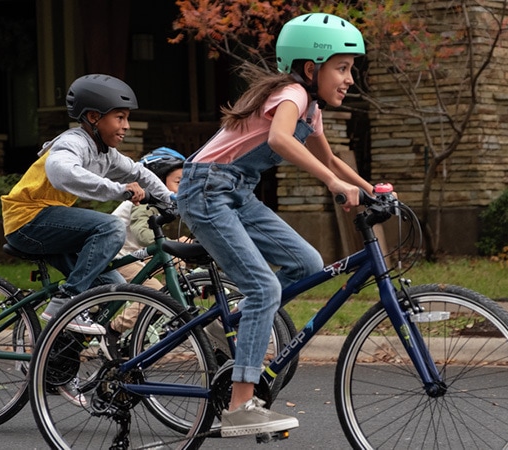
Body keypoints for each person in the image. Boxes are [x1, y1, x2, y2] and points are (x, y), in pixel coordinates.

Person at [175, 13, 374, 437]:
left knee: (307, 262)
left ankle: (235, 319)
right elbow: (279, 140)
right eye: (342, 68)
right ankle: (240, 405)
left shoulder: (311, 109)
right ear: (310, 68)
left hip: (236, 191)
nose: (349, 79)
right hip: (206, 189)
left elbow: (330, 159)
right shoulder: (291, 95)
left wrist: (372, 190)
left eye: (350, 69)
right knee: (264, 287)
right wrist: (333, 184)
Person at [1, 74, 174, 336]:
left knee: (112, 289)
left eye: (127, 118)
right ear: (94, 117)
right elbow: (61, 171)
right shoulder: (72, 143)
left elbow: (140, 174)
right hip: (27, 221)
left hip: (50, 226)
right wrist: (120, 191)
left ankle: (58, 357)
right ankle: (67, 301)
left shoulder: (106, 153)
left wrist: (171, 203)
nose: (126, 125)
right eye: (120, 117)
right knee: (111, 227)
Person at [102, 146, 188, 359]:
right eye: (178, 182)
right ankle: (113, 330)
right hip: (116, 255)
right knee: (156, 294)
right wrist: (174, 242)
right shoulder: (144, 201)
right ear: (158, 180)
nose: (183, 188)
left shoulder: (161, 203)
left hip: (132, 253)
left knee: (179, 263)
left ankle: (166, 314)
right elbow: (142, 234)